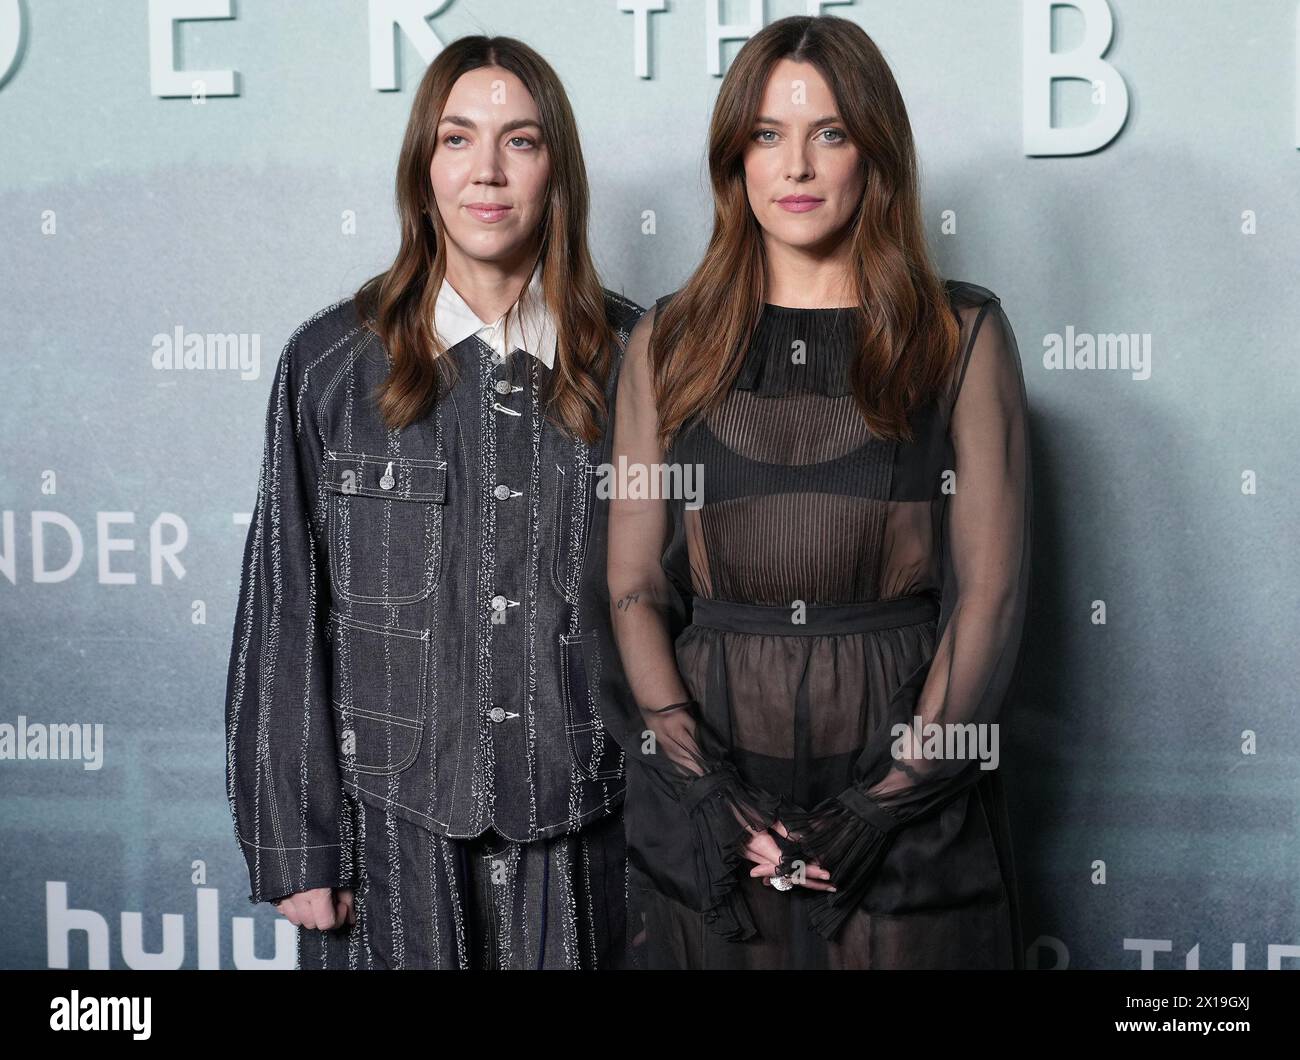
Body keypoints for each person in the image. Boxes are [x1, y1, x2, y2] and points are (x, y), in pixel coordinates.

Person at [582, 14, 1032, 969]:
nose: (797, 165)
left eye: (829, 132)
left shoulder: (959, 334)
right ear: (734, 159)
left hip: (907, 794)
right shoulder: (666, 342)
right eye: (768, 135)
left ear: (874, 153)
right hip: (712, 798)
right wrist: (708, 794)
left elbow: (987, 597)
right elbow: (632, 589)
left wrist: (887, 801)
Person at [224, 34, 641, 970]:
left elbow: (687, 614)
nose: (486, 171)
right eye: (458, 140)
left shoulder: (642, 361)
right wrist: (296, 841)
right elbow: (285, 612)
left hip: (588, 831)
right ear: (422, 170)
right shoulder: (327, 365)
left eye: (520, 142)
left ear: (557, 173)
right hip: (387, 846)